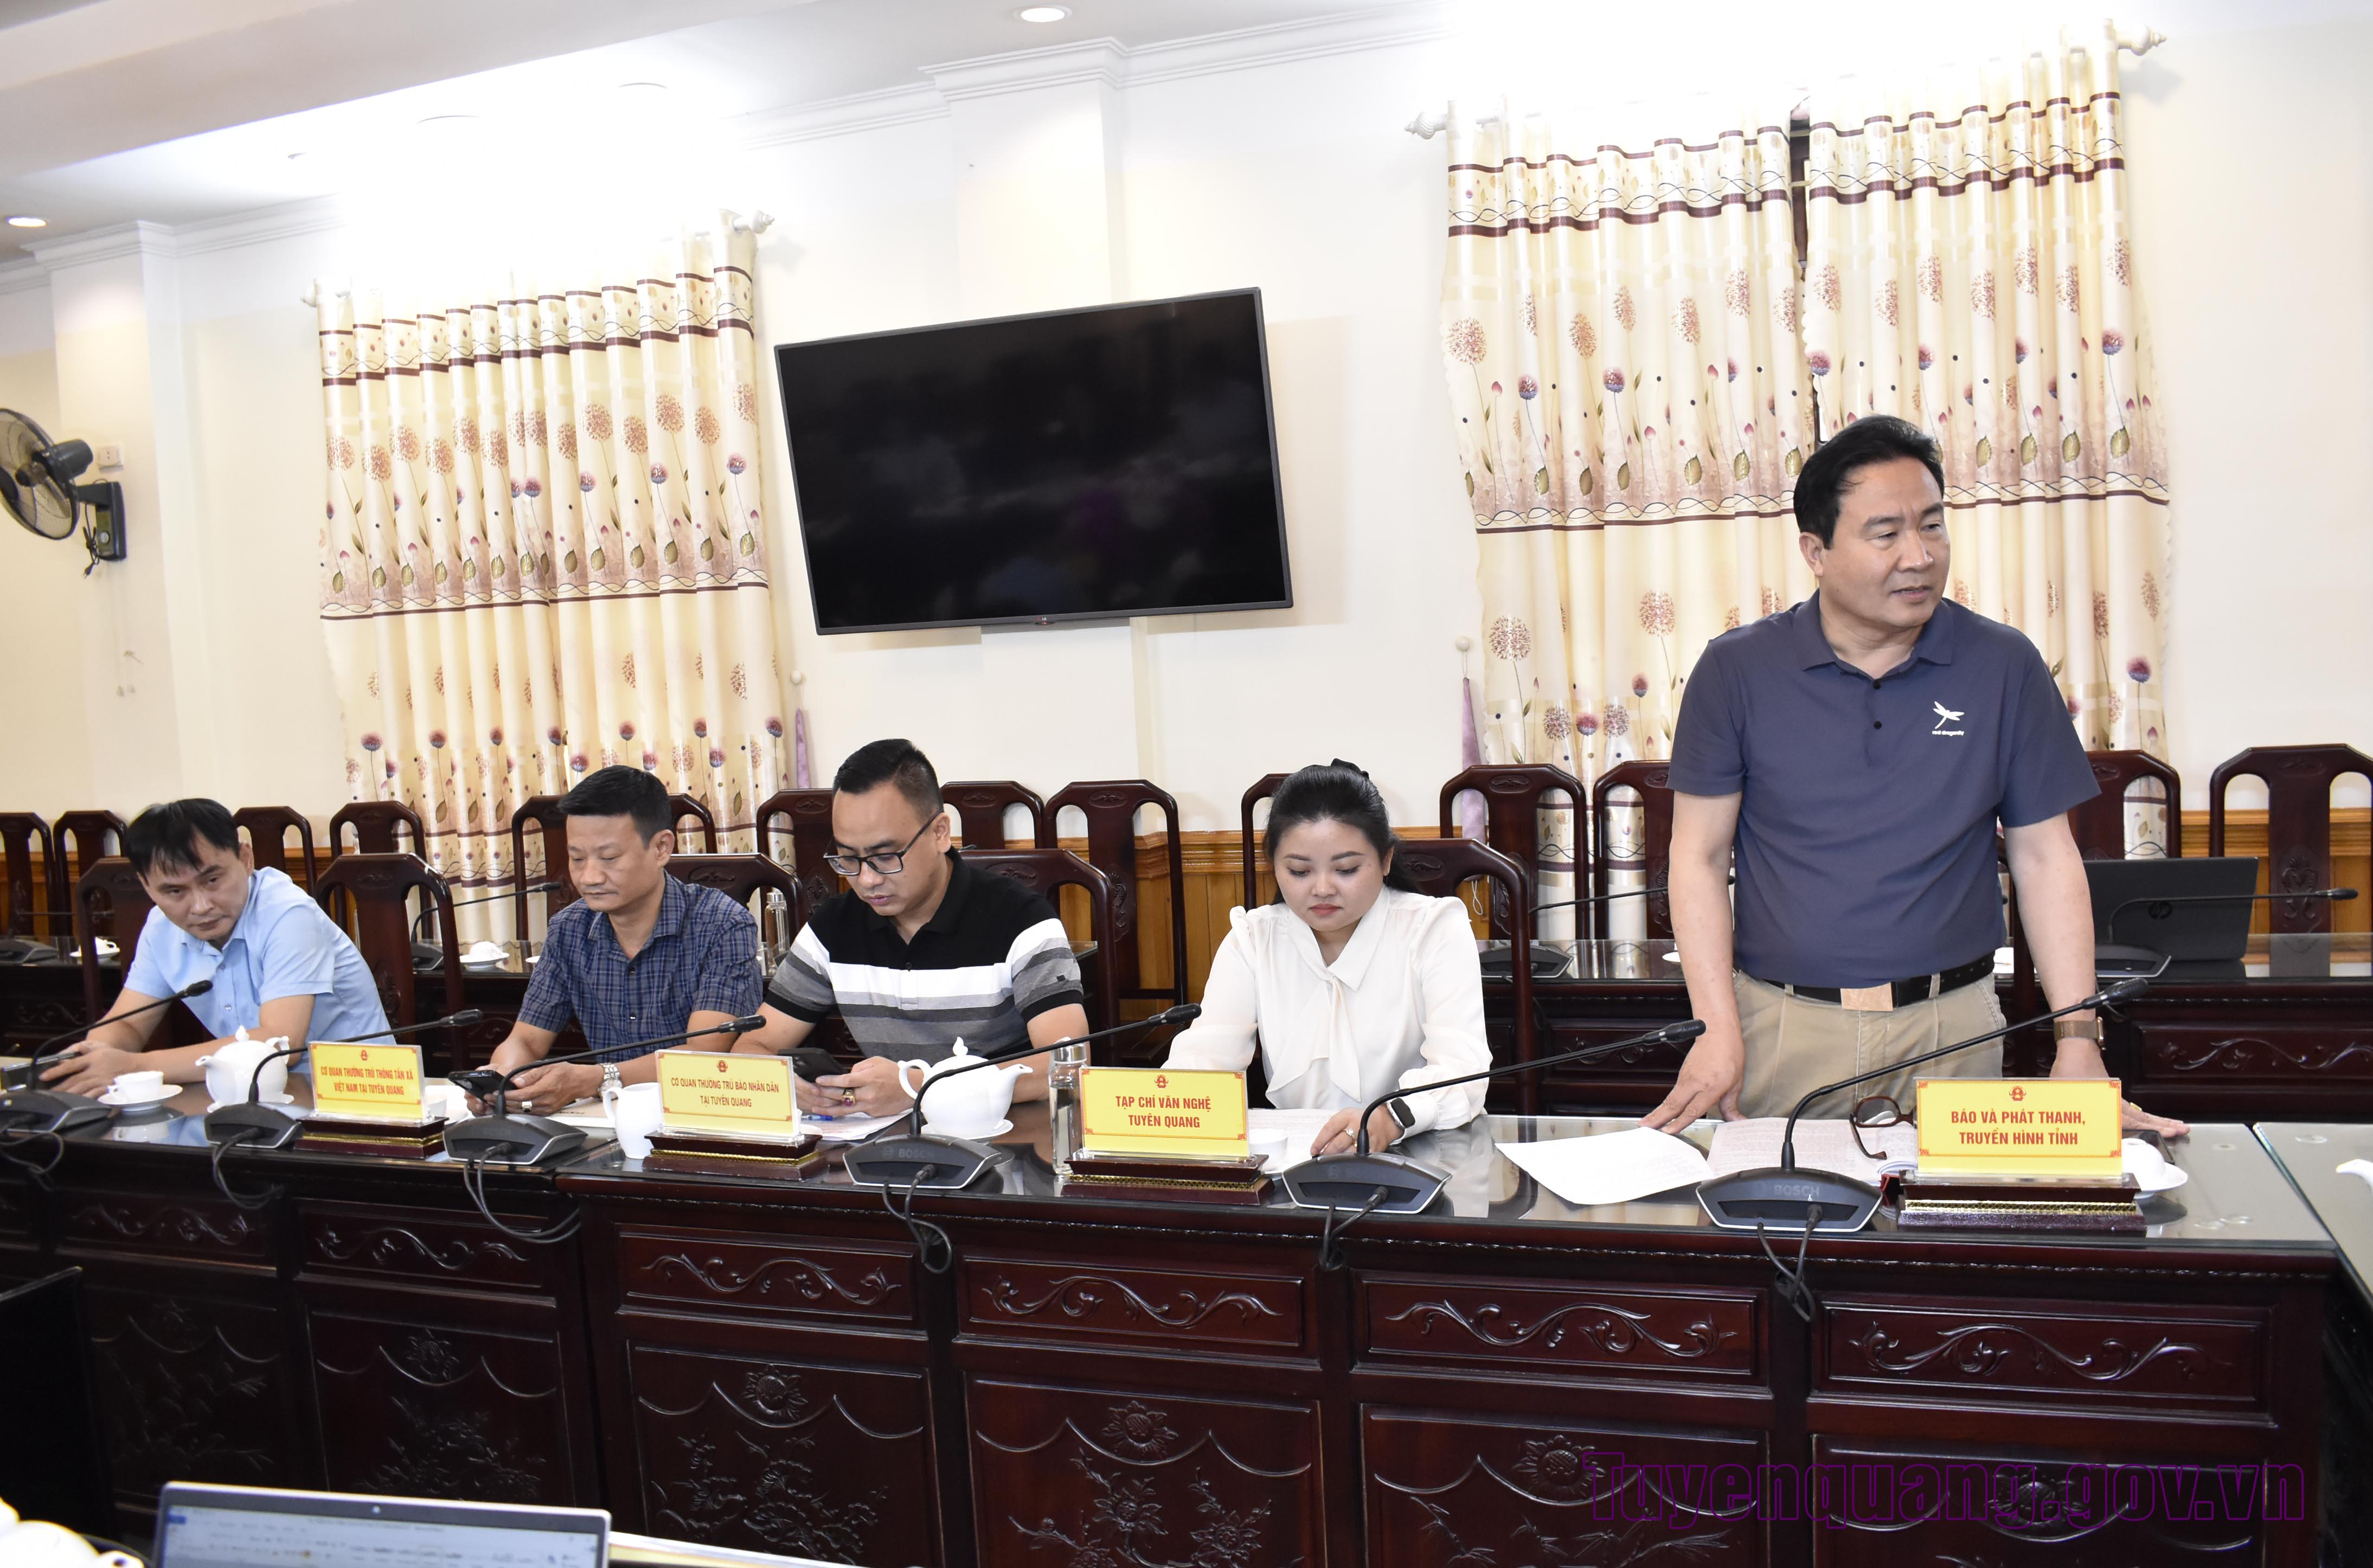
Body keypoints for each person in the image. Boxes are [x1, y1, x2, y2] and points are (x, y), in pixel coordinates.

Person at [1640, 415, 2186, 1137]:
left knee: (1953, 1213)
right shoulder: (1735, 670)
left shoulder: (2003, 665)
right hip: (1782, 1024)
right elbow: (1699, 857)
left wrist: (2078, 1040)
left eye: (1932, 525)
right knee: (1775, 1205)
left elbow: (2045, 857)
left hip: (1952, 1027)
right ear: (1815, 551)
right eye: (1886, 533)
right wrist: (1715, 1027)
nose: (1920, 556)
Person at [741, 740, 1088, 1118]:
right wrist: (785, 1083)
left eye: (885, 856)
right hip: (883, 1139)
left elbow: (1068, 1063)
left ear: (940, 832)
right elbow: (754, 1045)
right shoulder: (832, 928)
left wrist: (919, 1089)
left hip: (1004, 1134)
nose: (867, 880)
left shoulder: (1020, 919)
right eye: (847, 858)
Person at [1164, 761, 1490, 1157]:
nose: (1322, 889)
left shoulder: (1433, 930)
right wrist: (1164, 1106)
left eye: (1346, 869)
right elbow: (1205, 1057)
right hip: (1294, 1161)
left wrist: (1391, 1118)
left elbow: (1463, 1070)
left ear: (1386, 860)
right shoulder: (1254, 938)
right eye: (1300, 871)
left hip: (1421, 1153)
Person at [39, 799, 390, 1096]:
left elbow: (279, 1045)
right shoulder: (161, 929)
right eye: (175, 891)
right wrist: (90, 1061)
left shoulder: (288, 913)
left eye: (212, 880)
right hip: (252, 1094)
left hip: (359, 1091)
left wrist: (134, 1066)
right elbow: (129, 1025)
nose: (201, 906)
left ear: (245, 858)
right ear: (146, 886)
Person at [482, 766, 760, 1112]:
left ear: (661, 848)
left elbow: (702, 1055)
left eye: (609, 858)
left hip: (702, 1114)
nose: (589, 877)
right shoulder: (569, 928)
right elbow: (526, 1040)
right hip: (611, 1118)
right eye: (577, 858)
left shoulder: (723, 924)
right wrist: (503, 1078)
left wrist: (600, 1077)